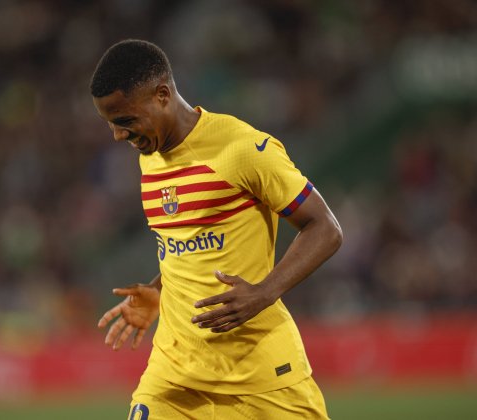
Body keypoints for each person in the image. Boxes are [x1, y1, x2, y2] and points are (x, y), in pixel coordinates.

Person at [91, 39, 342, 420]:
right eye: (111, 124)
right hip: (175, 377)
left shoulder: (243, 149)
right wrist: (159, 289)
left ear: (162, 95)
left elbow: (325, 227)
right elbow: (188, 243)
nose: (118, 136)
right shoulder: (151, 156)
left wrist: (264, 292)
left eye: (125, 121)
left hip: (260, 375)